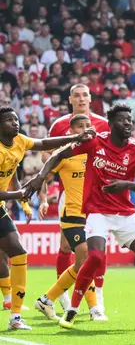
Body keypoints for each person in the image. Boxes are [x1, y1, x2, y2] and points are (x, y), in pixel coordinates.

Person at [26, 105, 135, 329]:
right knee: (93, 257)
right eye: (123, 120)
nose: (128, 124)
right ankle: (72, 311)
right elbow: (58, 154)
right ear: (111, 124)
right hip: (96, 212)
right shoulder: (95, 142)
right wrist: (40, 177)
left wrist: (126, 184)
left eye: (130, 120)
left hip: (124, 213)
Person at [0, 105, 95, 330]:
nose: (15, 123)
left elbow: (44, 144)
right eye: (9, 121)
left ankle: (15, 317)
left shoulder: (20, 141)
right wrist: (20, 195)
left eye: (16, 119)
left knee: (18, 252)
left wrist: (76, 137)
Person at [34, 115, 108, 322]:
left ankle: (46, 300)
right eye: (80, 127)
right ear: (71, 132)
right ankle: (95, 309)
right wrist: (43, 199)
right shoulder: (64, 154)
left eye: (88, 126)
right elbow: (43, 175)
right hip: (72, 213)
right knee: (85, 256)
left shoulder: (96, 151)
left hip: (92, 213)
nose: (86, 129)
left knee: (87, 260)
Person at [45, 83, 110, 313]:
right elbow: (47, 154)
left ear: (90, 98)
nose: (81, 99)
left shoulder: (103, 123)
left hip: (97, 196)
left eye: (85, 95)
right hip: (69, 193)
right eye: (77, 96)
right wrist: (45, 195)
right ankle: (61, 294)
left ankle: (97, 296)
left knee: (96, 245)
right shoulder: (60, 125)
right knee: (66, 246)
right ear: (70, 99)